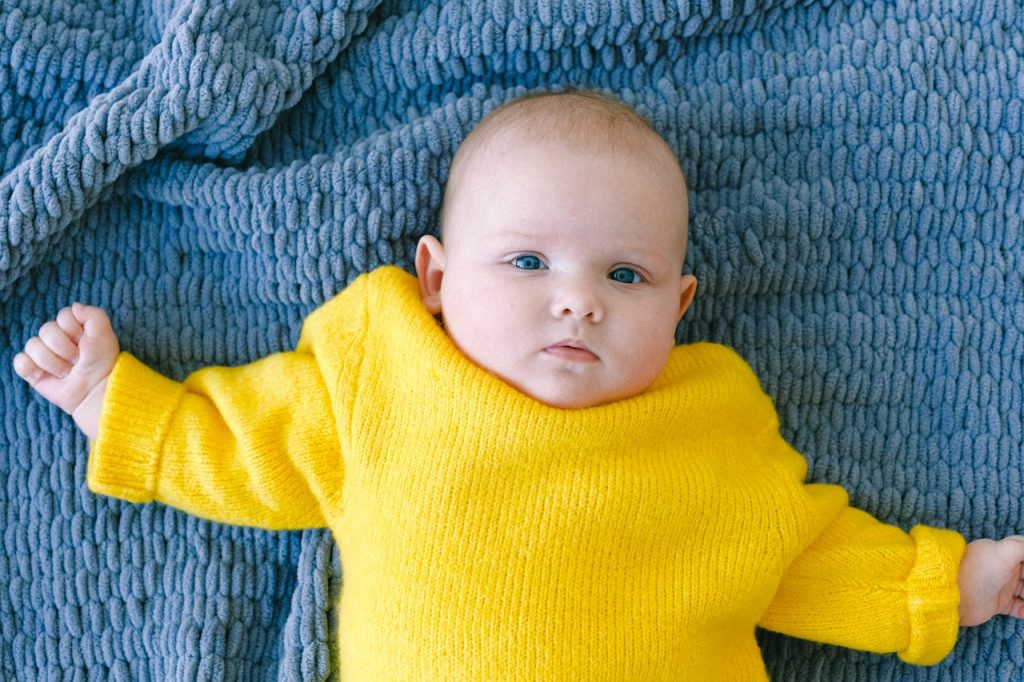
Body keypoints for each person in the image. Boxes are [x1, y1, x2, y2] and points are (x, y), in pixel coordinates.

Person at [12, 90, 1024, 680]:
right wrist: (116, 401)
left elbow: (807, 558)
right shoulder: (384, 377)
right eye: (527, 263)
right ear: (436, 280)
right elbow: (240, 446)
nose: (577, 300)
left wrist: (955, 582)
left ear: (680, 309)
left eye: (624, 276)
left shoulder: (714, 430)